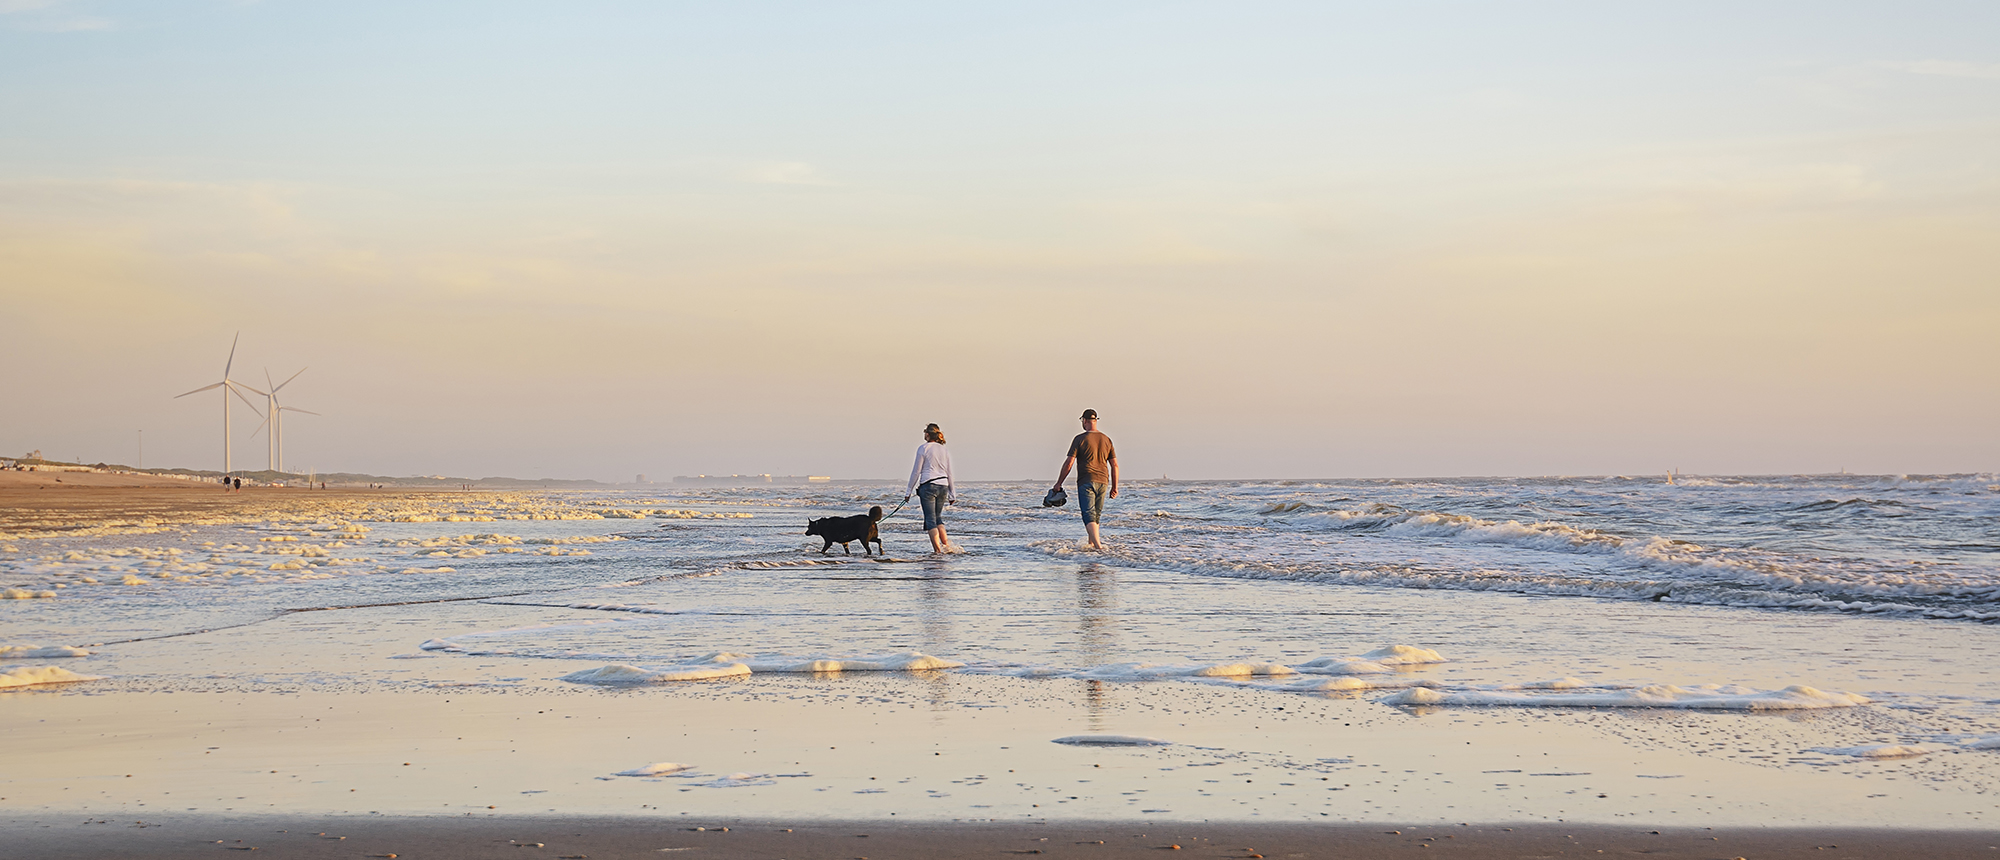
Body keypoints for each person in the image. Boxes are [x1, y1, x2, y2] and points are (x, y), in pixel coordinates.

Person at [1052, 408, 1118, 550]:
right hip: (1103, 482)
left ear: (1085, 420)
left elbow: (1069, 463)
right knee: (1096, 515)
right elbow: (1115, 466)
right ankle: (1091, 545)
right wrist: (1115, 487)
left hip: (1086, 480)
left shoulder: (1080, 439)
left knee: (1088, 515)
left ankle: (1098, 547)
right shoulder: (1107, 439)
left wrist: (1058, 483)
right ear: (1095, 420)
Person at [904, 423, 959, 554]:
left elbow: (916, 472)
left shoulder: (923, 448)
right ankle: (947, 547)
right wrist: (952, 494)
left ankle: (937, 551)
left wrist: (908, 491)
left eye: (925, 433)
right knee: (938, 518)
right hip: (943, 486)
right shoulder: (944, 450)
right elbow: (950, 473)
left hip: (928, 486)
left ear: (928, 434)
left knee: (930, 520)